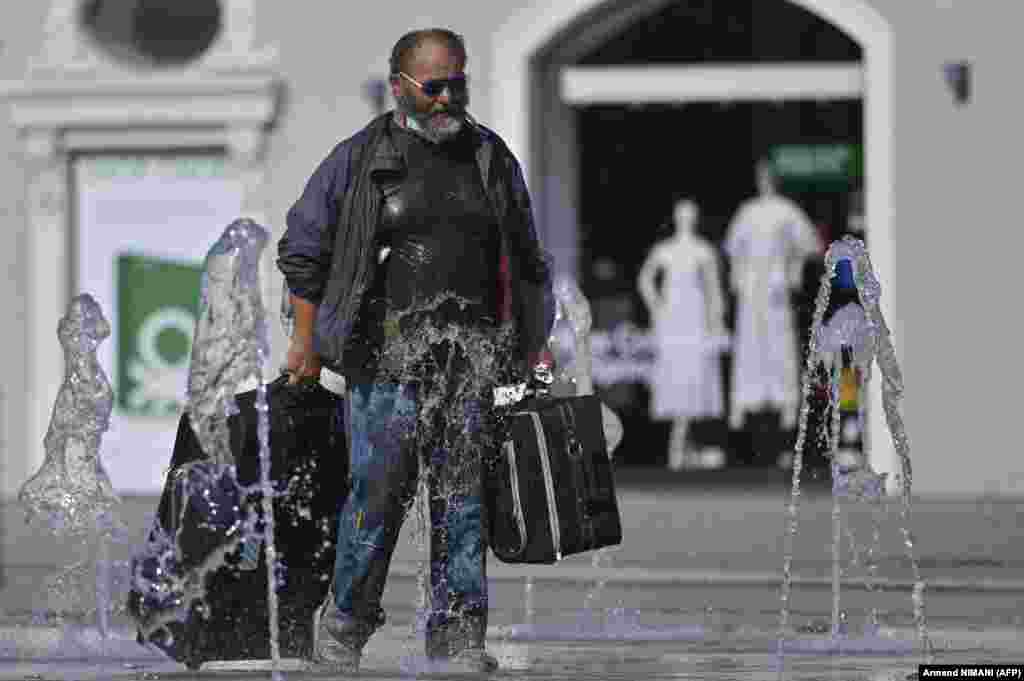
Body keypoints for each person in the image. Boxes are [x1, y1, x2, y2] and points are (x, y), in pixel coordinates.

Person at [276, 28, 555, 673]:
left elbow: (528, 260)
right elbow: (303, 252)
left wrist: (534, 346)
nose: (447, 98)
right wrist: (304, 342)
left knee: (464, 503)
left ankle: (457, 637)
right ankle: (343, 629)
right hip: (385, 364)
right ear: (399, 87)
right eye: (434, 87)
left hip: (471, 363)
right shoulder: (359, 159)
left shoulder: (490, 157)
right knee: (376, 500)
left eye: (457, 84)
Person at [724, 160, 821, 438]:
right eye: (761, 177)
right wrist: (737, 278)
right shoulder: (747, 211)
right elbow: (733, 248)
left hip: (776, 284)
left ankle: (786, 402)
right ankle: (743, 402)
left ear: (776, 180)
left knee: (781, 342)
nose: (765, 181)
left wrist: (793, 270)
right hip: (751, 284)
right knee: (749, 343)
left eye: (769, 177)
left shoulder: (787, 210)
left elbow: (810, 244)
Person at [637, 199, 728, 471]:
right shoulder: (665, 250)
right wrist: (657, 308)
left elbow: (713, 289)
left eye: (690, 216)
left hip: (694, 318)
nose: (686, 220)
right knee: (677, 374)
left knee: (694, 374)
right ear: (677, 218)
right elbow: (645, 280)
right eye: (683, 215)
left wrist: (716, 321)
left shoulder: (703, 250)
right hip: (673, 320)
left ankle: (682, 444)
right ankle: (679, 445)